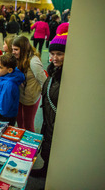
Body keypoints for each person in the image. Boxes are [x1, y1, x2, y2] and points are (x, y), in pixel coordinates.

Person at [31, 23, 69, 178]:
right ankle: (46, 171)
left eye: (59, 53)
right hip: (49, 123)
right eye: (52, 53)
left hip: (59, 126)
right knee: (48, 151)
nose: (54, 58)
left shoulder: (68, 77)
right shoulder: (54, 71)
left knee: (57, 154)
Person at [12, 35, 47, 132]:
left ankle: (30, 144)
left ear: (23, 49)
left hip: (30, 98)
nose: (13, 52)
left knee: (28, 124)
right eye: (12, 49)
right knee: (19, 121)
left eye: (16, 49)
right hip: (20, 96)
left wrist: (38, 93)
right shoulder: (19, 58)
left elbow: (44, 82)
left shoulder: (34, 62)